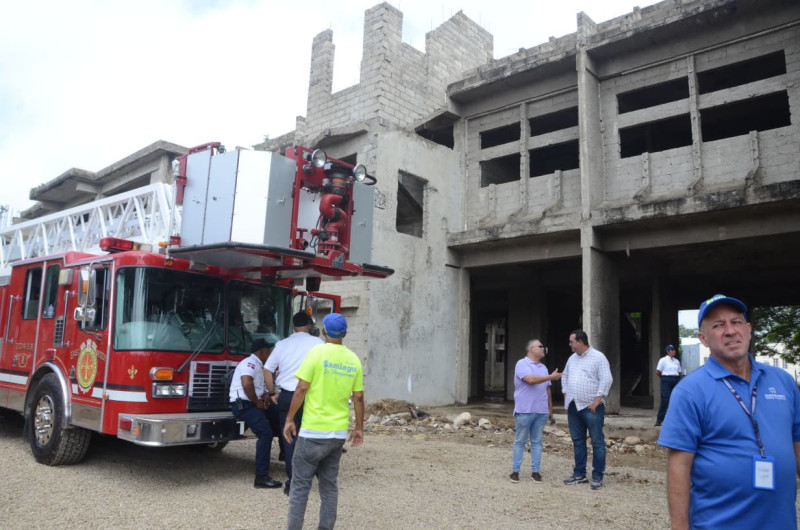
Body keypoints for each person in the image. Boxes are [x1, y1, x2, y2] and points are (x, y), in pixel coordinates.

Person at [658, 294, 800, 529]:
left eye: (736, 322)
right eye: (718, 325)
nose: (730, 331)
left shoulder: (783, 381)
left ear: (749, 329)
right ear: (703, 339)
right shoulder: (690, 391)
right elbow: (679, 468)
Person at [283, 313, 364, 530]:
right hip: (337, 434)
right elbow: (358, 397)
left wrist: (289, 419)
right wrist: (358, 428)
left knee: (300, 486)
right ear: (345, 334)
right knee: (329, 487)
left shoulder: (316, 353)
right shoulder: (353, 359)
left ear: (323, 332)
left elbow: (301, 388)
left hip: (312, 432)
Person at [264, 311, 323, 495]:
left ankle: (293, 483)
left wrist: (272, 392)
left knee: (289, 438)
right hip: (311, 396)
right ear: (309, 325)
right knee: (313, 437)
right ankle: (318, 477)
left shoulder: (282, 344)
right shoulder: (318, 344)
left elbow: (267, 369)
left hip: (288, 396)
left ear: (292, 326)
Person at [562, 329, 613, 490]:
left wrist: (598, 400)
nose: (569, 344)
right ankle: (579, 474)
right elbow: (565, 376)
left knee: (597, 442)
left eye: (571, 342)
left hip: (591, 408)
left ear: (580, 342)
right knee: (578, 441)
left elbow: (607, 379)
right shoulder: (572, 359)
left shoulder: (598, 357)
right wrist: (565, 393)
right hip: (574, 406)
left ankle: (597, 476)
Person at [229, 338, 282, 489]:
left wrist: (264, 396)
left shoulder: (258, 364)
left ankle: (285, 454)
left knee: (280, 416)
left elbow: (255, 387)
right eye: (269, 351)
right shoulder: (249, 363)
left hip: (252, 401)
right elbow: (246, 383)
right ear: (263, 351)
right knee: (265, 434)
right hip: (244, 405)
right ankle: (261, 477)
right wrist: (257, 402)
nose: (271, 354)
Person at [509, 339, 562, 483]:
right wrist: (551, 376)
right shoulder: (522, 364)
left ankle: (536, 472)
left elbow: (547, 389)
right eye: (540, 346)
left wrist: (550, 409)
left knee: (537, 442)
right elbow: (530, 380)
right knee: (520, 441)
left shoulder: (543, 368)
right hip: (525, 409)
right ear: (531, 349)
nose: (543, 348)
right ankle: (515, 471)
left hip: (541, 411)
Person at [655, 344, 681, 427]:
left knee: (675, 400)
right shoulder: (663, 360)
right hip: (666, 379)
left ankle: (675, 421)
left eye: (674, 350)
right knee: (665, 400)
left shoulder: (676, 361)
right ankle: (659, 420)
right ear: (668, 352)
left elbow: (679, 372)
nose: (674, 352)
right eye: (672, 350)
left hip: (675, 379)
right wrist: (664, 379)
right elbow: (658, 372)